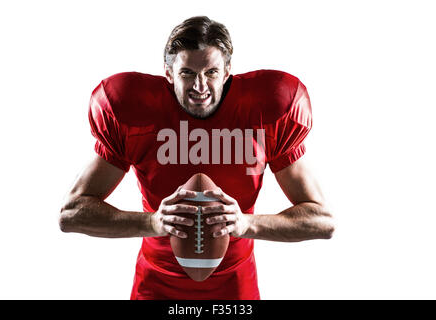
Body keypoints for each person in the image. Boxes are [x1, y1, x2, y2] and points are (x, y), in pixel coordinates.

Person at [59, 16, 335, 300]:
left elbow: (322, 220)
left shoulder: (264, 111)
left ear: (228, 71)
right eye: (187, 73)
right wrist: (152, 223)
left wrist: (246, 224)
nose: (200, 86)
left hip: (234, 289)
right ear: (168, 73)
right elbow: (71, 214)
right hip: (156, 286)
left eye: (211, 72)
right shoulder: (136, 111)